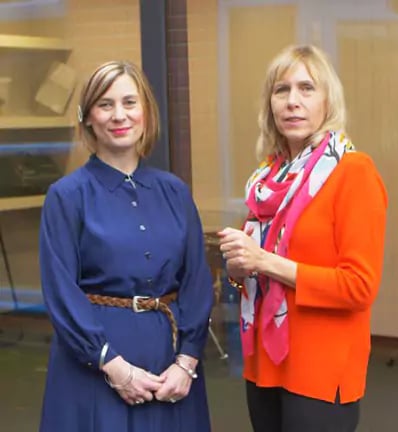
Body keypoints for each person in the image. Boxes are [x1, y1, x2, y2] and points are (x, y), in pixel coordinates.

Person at [218, 44, 387, 432]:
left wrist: (264, 261)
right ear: (270, 105)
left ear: (328, 101)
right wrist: (238, 268)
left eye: (307, 89)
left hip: (321, 370)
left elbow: (358, 287)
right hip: (265, 364)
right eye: (282, 90)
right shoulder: (267, 178)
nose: (293, 101)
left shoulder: (353, 172)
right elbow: (254, 272)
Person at [38, 60, 214, 432]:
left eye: (130, 103)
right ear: (88, 118)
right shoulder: (67, 197)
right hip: (93, 367)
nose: (119, 115)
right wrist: (112, 366)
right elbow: (60, 291)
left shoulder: (175, 192)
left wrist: (187, 362)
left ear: (146, 112)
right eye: (105, 105)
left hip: (171, 368)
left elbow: (197, 280)